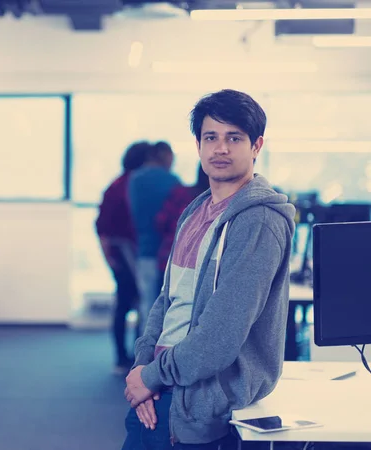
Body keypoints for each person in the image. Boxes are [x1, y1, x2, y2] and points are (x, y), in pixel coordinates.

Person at [122, 89, 295, 450]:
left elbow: (221, 334)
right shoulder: (195, 211)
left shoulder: (258, 221)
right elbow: (166, 301)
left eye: (234, 138)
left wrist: (151, 378)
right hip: (161, 386)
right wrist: (142, 370)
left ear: (256, 145)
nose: (221, 149)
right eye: (210, 137)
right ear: (198, 145)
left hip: (200, 400)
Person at [96, 141, 150, 374]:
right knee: (129, 302)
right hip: (124, 253)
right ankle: (122, 358)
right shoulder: (124, 186)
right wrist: (110, 258)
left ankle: (128, 356)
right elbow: (103, 228)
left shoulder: (125, 184)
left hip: (129, 252)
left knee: (133, 303)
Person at [128, 141, 181, 334]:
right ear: (165, 156)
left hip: (143, 248)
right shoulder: (172, 181)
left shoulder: (134, 179)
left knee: (146, 305)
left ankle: (140, 355)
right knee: (162, 309)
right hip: (166, 252)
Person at [155, 164, 210, 276]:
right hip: (200, 267)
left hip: (170, 257)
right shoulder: (220, 202)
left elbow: (161, 222)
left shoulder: (181, 193)